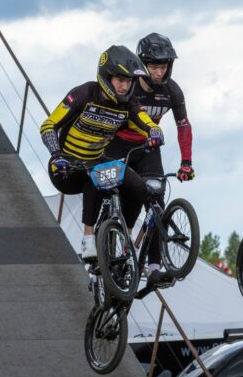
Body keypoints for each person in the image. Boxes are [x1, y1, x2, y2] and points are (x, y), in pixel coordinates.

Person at [40, 45, 163, 260]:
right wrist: (56, 154)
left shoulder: (129, 105)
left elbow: (147, 122)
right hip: (65, 167)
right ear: (107, 77)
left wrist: (155, 132)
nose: (125, 86)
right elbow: (48, 125)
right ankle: (88, 239)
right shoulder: (84, 93)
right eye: (120, 80)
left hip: (96, 160)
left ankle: (125, 237)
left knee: (138, 188)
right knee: (98, 175)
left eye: (129, 81)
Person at [106, 32, 193, 289]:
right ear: (143, 64)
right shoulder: (129, 86)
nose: (158, 72)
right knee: (121, 198)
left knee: (156, 203)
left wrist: (186, 162)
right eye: (154, 66)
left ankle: (154, 267)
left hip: (148, 146)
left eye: (163, 66)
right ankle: (109, 244)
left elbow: (183, 125)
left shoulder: (172, 90)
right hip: (117, 144)